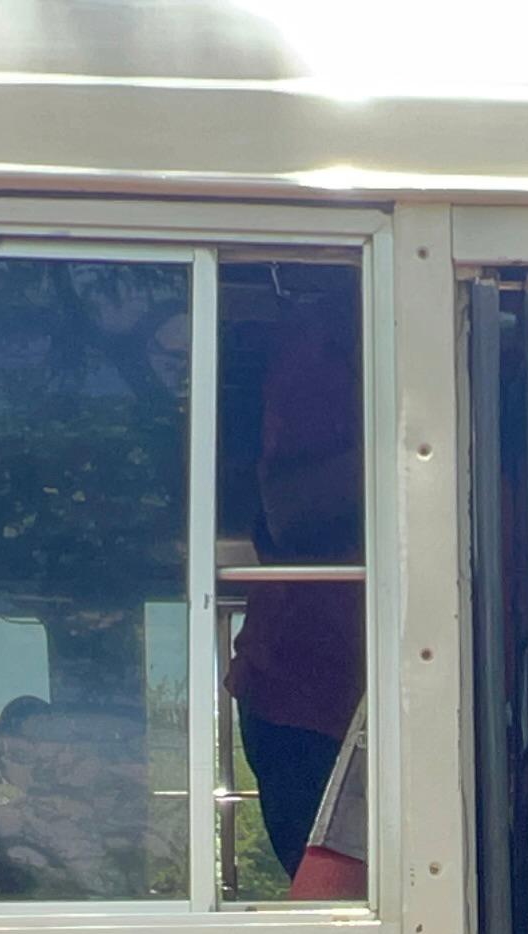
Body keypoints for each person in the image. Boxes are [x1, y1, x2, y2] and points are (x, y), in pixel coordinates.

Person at [225, 304, 367, 880]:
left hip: (364, 697)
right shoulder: (315, 356)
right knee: (343, 897)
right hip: (301, 700)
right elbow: (289, 511)